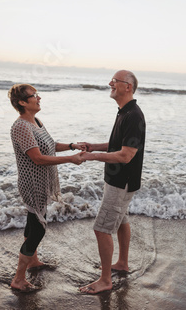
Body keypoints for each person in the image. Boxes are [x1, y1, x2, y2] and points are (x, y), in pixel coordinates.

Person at [8, 83, 85, 292]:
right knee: (38, 229)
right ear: (22, 102)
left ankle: (33, 261)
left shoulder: (36, 121)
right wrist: (70, 159)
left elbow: (49, 145)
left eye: (37, 94)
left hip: (40, 182)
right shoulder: (21, 126)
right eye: (34, 96)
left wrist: (71, 146)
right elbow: (38, 158)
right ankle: (18, 279)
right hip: (32, 184)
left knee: (33, 223)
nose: (39, 98)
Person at [78, 70, 146, 294]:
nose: (110, 83)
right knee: (122, 220)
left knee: (102, 229)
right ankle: (122, 263)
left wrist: (91, 157)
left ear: (128, 87)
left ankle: (105, 280)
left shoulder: (134, 115)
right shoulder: (124, 112)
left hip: (121, 181)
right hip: (118, 179)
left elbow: (126, 155)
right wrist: (94, 147)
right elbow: (117, 144)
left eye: (115, 81)